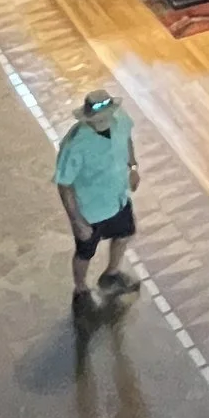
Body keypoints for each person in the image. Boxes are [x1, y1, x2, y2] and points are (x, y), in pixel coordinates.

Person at [55, 86, 140, 309]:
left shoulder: (121, 120)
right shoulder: (75, 144)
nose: (104, 122)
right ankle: (81, 288)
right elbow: (64, 185)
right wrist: (77, 221)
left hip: (118, 198)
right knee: (85, 252)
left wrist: (133, 167)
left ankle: (111, 274)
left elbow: (127, 141)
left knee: (124, 235)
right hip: (90, 211)